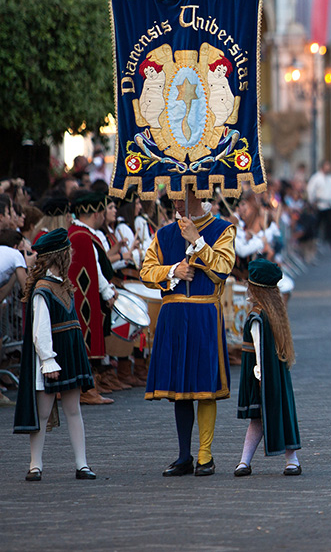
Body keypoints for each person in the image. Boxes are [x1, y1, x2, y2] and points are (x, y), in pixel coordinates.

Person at [140, 187, 236, 477]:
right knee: (180, 389)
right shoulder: (164, 234)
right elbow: (146, 271)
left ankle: (205, 455)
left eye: (181, 196)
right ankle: (184, 455)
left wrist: (197, 241)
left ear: (198, 195)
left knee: (205, 387)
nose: (176, 202)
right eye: (173, 197)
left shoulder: (222, 229)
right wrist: (172, 271)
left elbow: (224, 268)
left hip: (205, 313)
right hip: (174, 314)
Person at [13, 229, 97, 481]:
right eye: (67, 251)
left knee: (74, 410)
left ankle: (81, 463)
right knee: (43, 413)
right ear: (60, 256)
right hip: (52, 358)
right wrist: (48, 360)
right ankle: (35, 464)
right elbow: (40, 329)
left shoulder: (64, 285)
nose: (71, 254)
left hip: (70, 354)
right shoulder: (43, 289)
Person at [234, 259, 301, 476]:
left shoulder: (257, 317)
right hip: (276, 375)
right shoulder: (274, 314)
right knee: (277, 414)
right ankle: (286, 460)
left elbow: (259, 352)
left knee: (263, 416)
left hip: (261, 377)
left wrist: (260, 377)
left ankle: (287, 460)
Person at [68, 191, 119, 403]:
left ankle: (88, 386)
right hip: (86, 297)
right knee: (87, 337)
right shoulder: (82, 236)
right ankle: (86, 389)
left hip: (86, 295)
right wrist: (107, 291)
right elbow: (93, 270)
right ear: (96, 213)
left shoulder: (77, 232)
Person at [306, 160, 331, 252]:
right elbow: (310, 189)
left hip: (329, 204)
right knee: (316, 225)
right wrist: (312, 201)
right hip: (319, 204)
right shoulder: (316, 178)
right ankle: (314, 244)